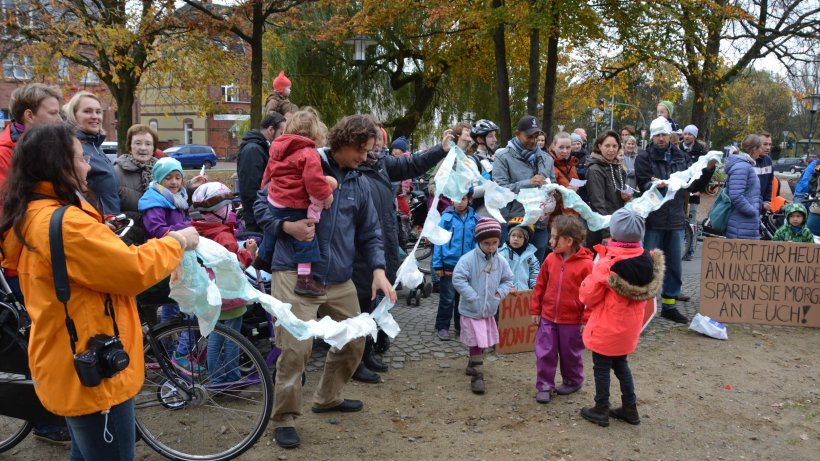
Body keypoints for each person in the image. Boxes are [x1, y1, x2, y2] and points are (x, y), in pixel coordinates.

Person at [0, 123, 198, 459]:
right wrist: (175, 242)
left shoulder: (36, 211)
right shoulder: (65, 223)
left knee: (87, 450)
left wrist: (99, 235)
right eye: (80, 158)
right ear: (59, 165)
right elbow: (131, 271)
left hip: (71, 357)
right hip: (94, 368)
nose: (89, 165)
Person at [266, 114, 395, 449]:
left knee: (355, 338)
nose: (365, 157)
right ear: (344, 142)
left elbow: (371, 232)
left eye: (369, 151)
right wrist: (286, 227)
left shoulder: (359, 182)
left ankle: (327, 397)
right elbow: (260, 205)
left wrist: (379, 270)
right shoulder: (303, 160)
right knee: (296, 348)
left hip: (338, 277)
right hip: (295, 272)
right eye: (362, 150)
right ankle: (283, 417)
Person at [351, 128, 450, 382]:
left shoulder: (382, 164)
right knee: (361, 301)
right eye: (371, 143)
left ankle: (368, 350)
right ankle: (356, 360)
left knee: (375, 300)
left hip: (382, 239)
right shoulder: (352, 168)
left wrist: (441, 149)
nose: (376, 148)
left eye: (378, 143)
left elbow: (412, 164)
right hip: (359, 246)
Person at [0, 83, 70, 443]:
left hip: (43, 252)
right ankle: (45, 421)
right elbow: (10, 210)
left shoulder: (46, 148)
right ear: (30, 116)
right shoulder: (5, 153)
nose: (61, 119)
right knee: (35, 341)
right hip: (19, 261)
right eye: (54, 113)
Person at [578, 208, 664, 428]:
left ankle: (601, 408)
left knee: (601, 367)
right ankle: (630, 407)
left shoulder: (609, 264)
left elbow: (589, 295)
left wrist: (587, 282)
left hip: (607, 327)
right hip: (628, 328)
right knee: (621, 365)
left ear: (615, 232)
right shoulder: (647, 259)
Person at [635, 117, 716, 324]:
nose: (661, 138)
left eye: (663, 134)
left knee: (674, 265)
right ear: (652, 137)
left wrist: (708, 170)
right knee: (648, 265)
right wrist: (653, 186)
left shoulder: (681, 156)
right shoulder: (644, 157)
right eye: (657, 135)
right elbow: (642, 183)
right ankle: (643, 307)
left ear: (670, 135)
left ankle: (669, 306)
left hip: (675, 218)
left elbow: (692, 184)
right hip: (653, 218)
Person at [261, 108, 338, 297]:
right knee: (307, 237)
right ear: (314, 132)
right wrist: (326, 194)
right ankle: (304, 279)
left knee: (271, 232)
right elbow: (313, 181)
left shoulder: (278, 148)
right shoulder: (308, 153)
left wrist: (266, 188)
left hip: (274, 200)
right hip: (293, 204)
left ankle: (262, 258)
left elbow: (268, 173)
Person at [190, 182, 258, 384]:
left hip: (210, 294)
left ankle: (216, 377)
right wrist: (249, 253)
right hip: (228, 295)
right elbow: (235, 266)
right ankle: (231, 377)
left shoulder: (199, 229)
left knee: (215, 336)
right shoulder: (223, 235)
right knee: (231, 339)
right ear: (221, 210)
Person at [529, 215, 593, 403]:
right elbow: (540, 285)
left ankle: (573, 380)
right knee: (545, 352)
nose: (550, 240)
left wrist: (585, 320)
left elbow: (591, 296)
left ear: (569, 240)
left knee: (570, 353)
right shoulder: (550, 259)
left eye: (554, 236)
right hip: (548, 317)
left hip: (572, 321)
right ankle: (545, 385)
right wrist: (535, 310)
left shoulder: (587, 265)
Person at [452, 218, 514, 394]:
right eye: (487, 243)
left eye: (495, 243)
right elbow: (458, 278)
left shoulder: (500, 261)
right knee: (477, 340)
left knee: (482, 341)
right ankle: (478, 376)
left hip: (488, 310)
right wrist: (472, 296)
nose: (491, 247)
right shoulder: (468, 259)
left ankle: (472, 364)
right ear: (479, 241)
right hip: (471, 310)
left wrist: (498, 294)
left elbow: (508, 280)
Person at [493, 115, 556, 262]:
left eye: (536, 136)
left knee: (535, 272)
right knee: (510, 273)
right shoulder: (503, 157)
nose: (533, 140)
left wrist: (554, 192)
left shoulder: (547, 159)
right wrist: (528, 183)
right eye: (529, 136)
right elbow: (499, 190)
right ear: (517, 133)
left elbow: (552, 182)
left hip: (539, 224)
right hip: (513, 223)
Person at [63, 91, 120, 215]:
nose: (95, 116)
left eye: (98, 112)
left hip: (109, 222)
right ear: (74, 115)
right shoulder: (72, 147)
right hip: (94, 224)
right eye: (87, 111)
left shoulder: (94, 145)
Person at [432, 190, 478, 341]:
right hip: (449, 265)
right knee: (447, 298)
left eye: (463, 199)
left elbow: (478, 243)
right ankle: (442, 326)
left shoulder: (475, 219)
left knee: (462, 298)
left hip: (467, 266)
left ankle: (461, 326)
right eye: (457, 198)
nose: (460, 202)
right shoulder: (446, 218)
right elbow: (438, 243)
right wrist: (438, 265)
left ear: (469, 199)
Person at [237, 112, 286, 233]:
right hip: (257, 218)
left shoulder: (260, 148)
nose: (283, 138)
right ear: (271, 129)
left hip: (260, 214)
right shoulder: (253, 150)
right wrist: (261, 215)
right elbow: (250, 189)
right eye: (281, 133)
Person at [114, 124, 159, 245]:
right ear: (130, 146)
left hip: (160, 238)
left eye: (148, 144)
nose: (143, 148)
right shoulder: (116, 172)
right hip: (130, 240)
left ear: (153, 148)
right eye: (138, 143)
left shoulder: (163, 171)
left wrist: (191, 188)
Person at [586, 130, 631, 248]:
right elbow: (598, 203)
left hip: (617, 224)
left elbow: (615, 197)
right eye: (607, 146)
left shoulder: (617, 167)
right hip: (602, 229)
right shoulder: (595, 169)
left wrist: (626, 197)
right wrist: (606, 232)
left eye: (614, 146)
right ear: (599, 146)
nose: (611, 150)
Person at [724, 134, 763, 240]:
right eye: (760, 147)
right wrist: (752, 211)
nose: (761, 150)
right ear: (754, 149)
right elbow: (736, 195)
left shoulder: (745, 165)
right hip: (741, 223)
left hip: (745, 223)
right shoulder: (742, 167)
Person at [680, 125, 706, 260]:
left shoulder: (701, 151)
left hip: (694, 191)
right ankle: (681, 247)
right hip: (681, 191)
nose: (687, 136)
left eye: (690, 134)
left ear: (694, 136)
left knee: (692, 221)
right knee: (681, 219)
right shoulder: (678, 148)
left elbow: (704, 173)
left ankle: (690, 250)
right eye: (685, 134)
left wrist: (700, 189)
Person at [466, 119, 500, 218]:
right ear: (480, 139)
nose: (495, 139)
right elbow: (472, 192)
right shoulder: (472, 161)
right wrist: (494, 186)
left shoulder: (495, 157)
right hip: (483, 212)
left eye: (494, 135)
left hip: (500, 210)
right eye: (490, 136)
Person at [498, 220, 540, 291]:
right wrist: (507, 287)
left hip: (524, 292)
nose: (516, 239)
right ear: (509, 236)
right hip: (506, 292)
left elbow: (535, 271)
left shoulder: (530, 255)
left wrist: (534, 286)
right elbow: (498, 273)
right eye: (513, 235)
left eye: (520, 237)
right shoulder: (502, 253)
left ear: (525, 239)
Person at [548, 131, 581, 219]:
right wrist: (564, 191)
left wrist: (577, 188)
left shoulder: (572, 164)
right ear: (553, 146)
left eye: (568, 147)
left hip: (573, 215)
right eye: (561, 147)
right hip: (557, 218)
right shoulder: (548, 165)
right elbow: (546, 195)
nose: (565, 151)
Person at [754, 131, 774, 212]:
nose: (768, 147)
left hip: (761, 206)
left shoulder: (768, 160)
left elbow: (769, 183)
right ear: (756, 145)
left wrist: (767, 201)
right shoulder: (748, 161)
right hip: (748, 206)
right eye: (765, 144)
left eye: (770, 144)